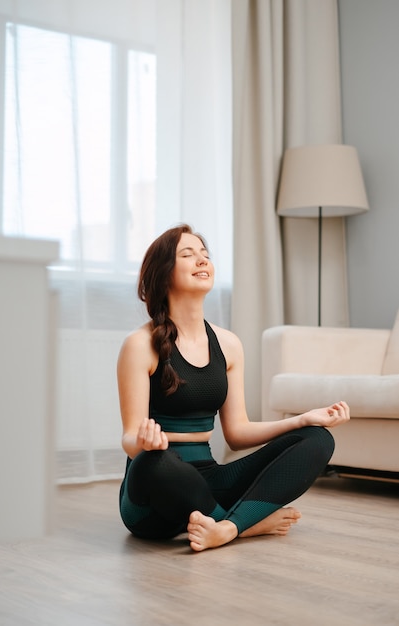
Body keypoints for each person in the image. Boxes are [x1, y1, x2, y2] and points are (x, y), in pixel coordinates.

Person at [117, 224, 350, 552]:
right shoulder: (139, 344)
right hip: (153, 498)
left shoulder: (228, 344)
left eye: (205, 255)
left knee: (318, 439)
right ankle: (245, 523)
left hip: (208, 482)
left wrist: (301, 420)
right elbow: (129, 439)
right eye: (188, 254)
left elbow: (237, 433)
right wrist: (142, 442)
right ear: (164, 273)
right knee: (157, 460)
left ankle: (226, 527)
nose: (202, 261)